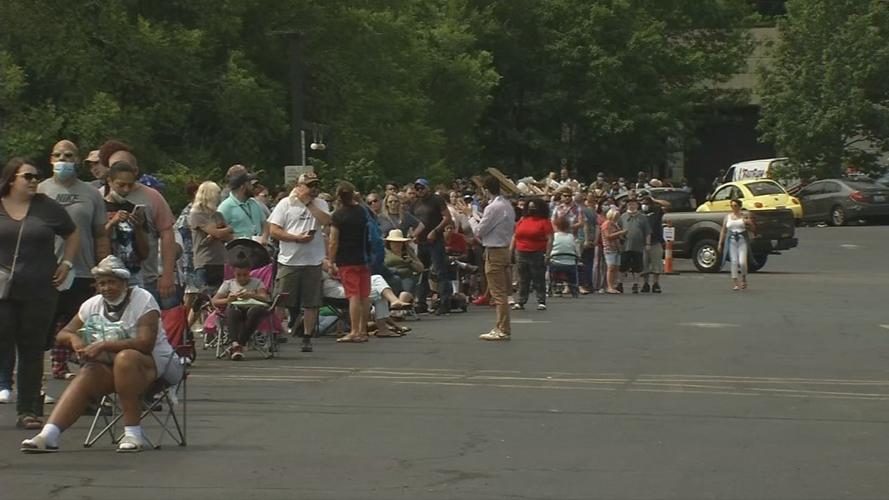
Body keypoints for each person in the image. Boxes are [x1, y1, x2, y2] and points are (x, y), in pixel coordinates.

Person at [20, 256, 182, 453]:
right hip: (114, 369)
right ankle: (49, 435)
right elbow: (64, 333)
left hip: (156, 367)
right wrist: (75, 341)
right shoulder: (92, 304)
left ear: (124, 282)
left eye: (112, 282)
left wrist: (104, 345)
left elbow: (144, 344)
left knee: (126, 358)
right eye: (102, 283)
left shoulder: (143, 300)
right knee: (89, 372)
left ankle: (133, 432)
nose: (106, 288)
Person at [0, 158, 78, 429]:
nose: (34, 181)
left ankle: (29, 410)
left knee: (32, 350)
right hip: (2, 291)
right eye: (28, 176)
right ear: (11, 179)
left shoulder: (47, 207)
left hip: (39, 290)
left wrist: (67, 263)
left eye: (37, 176)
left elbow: (71, 233)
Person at [39, 140, 111, 380]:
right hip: (45, 274)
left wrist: (101, 271)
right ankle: (35, 394)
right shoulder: (39, 191)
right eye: (58, 156)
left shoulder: (91, 194)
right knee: (39, 336)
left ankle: (89, 391)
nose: (63, 160)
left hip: (82, 273)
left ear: (77, 160)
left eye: (68, 156)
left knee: (85, 335)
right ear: (50, 160)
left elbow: (100, 235)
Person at [98, 141, 177, 307]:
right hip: (107, 279)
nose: (125, 188)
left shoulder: (151, 197)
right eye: (114, 167)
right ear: (109, 178)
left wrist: (167, 275)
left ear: (135, 171)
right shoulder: (97, 198)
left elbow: (167, 233)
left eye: (125, 168)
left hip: (144, 277)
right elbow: (94, 238)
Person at [268, 172, 331, 353]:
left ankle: (307, 336)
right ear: (299, 186)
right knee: (281, 299)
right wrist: (295, 238)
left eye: (316, 186)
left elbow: (327, 221)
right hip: (290, 260)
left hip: (313, 260)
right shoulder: (285, 204)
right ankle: (275, 332)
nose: (313, 189)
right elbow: (274, 230)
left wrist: (309, 204)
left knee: (311, 301)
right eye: (309, 186)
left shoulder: (320, 203)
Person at [471, 176, 516, 341]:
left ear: (486, 189)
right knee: (501, 291)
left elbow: (479, 230)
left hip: (495, 250)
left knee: (498, 293)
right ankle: (501, 326)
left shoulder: (493, 207)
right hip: (503, 249)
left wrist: (472, 217)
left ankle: (502, 328)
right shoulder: (507, 206)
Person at [329, 182, 372, 343]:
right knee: (364, 295)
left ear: (338, 196)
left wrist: (331, 261)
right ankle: (363, 330)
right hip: (364, 257)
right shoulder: (362, 211)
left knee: (352, 294)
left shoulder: (338, 215)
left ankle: (354, 331)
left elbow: (333, 241)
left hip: (346, 259)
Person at [211, 255, 269, 360]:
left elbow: (265, 298)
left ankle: (237, 345)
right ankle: (236, 343)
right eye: (239, 275)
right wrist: (229, 300)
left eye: (245, 275)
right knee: (231, 312)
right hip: (235, 308)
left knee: (255, 312)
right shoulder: (229, 284)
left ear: (250, 272)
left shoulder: (257, 282)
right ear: (233, 272)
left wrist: (251, 295)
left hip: (252, 309)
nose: (242, 278)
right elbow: (214, 301)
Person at [410, 178, 453, 315]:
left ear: (428, 187)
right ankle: (421, 302)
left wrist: (436, 231)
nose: (420, 191)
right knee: (422, 271)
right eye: (417, 188)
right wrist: (414, 235)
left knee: (440, 271)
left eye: (422, 188)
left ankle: (444, 302)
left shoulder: (436, 200)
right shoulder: (415, 203)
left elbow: (447, 217)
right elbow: (413, 221)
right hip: (421, 242)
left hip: (435, 241)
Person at [103, 161, 150, 284]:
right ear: (110, 181)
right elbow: (96, 240)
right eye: (121, 185)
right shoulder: (99, 207)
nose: (126, 189)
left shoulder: (134, 209)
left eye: (130, 185)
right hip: (107, 273)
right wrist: (112, 223)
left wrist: (139, 228)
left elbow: (145, 253)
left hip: (133, 274)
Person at [189, 181, 232, 293]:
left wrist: (219, 232)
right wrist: (225, 229)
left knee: (220, 294)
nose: (219, 196)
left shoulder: (218, 215)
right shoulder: (196, 214)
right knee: (205, 296)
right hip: (205, 262)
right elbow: (216, 233)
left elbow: (229, 237)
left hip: (221, 260)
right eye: (217, 193)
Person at [511, 198, 552, 311]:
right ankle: (520, 301)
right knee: (522, 279)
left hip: (537, 252)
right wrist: (510, 251)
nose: (531, 209)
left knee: (538, 278)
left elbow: (550, 239)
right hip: (520, 252)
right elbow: (515, 236)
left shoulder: (544, 222)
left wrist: (548, 254)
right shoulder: (522, 220)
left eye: (534, 207)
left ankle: (541, 301)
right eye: (529, 207)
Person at [218, 172, 268, 243]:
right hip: (238, 250)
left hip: (258, 249)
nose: (253, 187)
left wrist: (264, 237)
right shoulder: (225, 207)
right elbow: (220, 233)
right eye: (250, 184)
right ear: (243, 187)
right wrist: (239, 239)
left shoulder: (254, 203)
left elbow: (265, 224)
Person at [718, 198, 755, 291]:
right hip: (732, 241)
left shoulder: (744, 216)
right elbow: (723, 230)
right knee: (734, 261)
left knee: (742, 262)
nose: (733, 208)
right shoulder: (728, 217)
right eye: (732, 206)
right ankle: (735, 282)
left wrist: (749, 223)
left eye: (735, 206)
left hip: (742, 240)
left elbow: (753, 229)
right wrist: (720, 243)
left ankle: (743, 278)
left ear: (739, 207)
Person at [617, 198, 651, 294]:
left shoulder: (643, 217)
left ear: (637, 205)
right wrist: (620, 238)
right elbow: (617, 229)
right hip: (625, 246)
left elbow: (648, 232)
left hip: (638, 246)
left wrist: (648, 244)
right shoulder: (622, 216)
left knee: (637, 266)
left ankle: (635, 284)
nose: (632, 206)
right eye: (630, 205)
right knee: (623, 266)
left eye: (634, 204)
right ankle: (620, 284)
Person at [640, 193, 669, 294]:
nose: (645, 203)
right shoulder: (639, 212)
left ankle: (656, 284)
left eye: (647, 201)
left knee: (656, 264)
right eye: (643, 201)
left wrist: (654, 200)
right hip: (642, 243)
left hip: (655, 241)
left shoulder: (657, 210)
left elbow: (667, 205)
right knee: (644, 265)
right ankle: (645, 284)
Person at [383, 229, 424, 298]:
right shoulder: (384, 251)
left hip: (406, 277)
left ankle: (402, 303)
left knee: (404, 294)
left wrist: (411, 261)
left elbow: (420, 268)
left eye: (400, 242)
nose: (397, 244)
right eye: (394, 242)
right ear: (389, 243)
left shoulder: (408, 251)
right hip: (390, 277)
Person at [549, 216, 579, 296]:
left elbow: (549, 248)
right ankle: (573, 288)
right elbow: (575, 249)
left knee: (550, 268)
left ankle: (554, 286)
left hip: (556, 262)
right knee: (572, 272)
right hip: (570, 263)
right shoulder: (571, 237)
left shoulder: (554, 236)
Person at [600, 209, 625, 294]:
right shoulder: (606, 224)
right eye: (615, 216)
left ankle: (613, 285)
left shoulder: (615, 224)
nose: (617, 217)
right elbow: (608, 236)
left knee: (616, 267)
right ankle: (609, 286)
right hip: (609, 248)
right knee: (611, 268)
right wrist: (620, 233)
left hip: (617, 248)